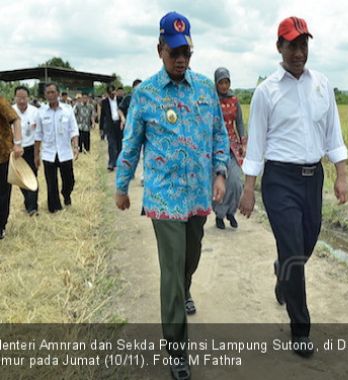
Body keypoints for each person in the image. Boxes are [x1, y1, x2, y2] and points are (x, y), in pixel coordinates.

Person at [114, 11, 228, 380]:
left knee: (188, 262)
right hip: (163, 198)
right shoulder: (145, 94)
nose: (181, 59)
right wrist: (122, 186)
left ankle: (185, 289)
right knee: (171, 272)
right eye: (174, 52)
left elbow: (218, 137)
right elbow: (130, 144)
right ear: (159, 49)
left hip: (197, 196)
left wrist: (221, 173)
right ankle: (177, 349)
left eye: (187, 53)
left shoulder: (205, 89)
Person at [239, 16, 348, 358]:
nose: (298, 52)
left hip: (312, 177)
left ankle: (283, 272)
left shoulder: (322, 85)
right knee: (293, 250)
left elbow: (333, 133)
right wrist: (248, 188)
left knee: (304, 243)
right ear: (279, 48)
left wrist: (341, 175)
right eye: (292, 45)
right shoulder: (266, 91)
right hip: (279, 181)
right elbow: (256, 144)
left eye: (303, 45)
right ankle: (300, 329)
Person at [34, 83, 80, 213]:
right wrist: (36, 155)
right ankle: (55, 208)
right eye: (48, 93)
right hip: (48, 153)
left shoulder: (67, 110)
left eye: (53, 92)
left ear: (58, 93)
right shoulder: (41, 112)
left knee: (69, 180)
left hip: (65, 152)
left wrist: (75, 147)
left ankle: (66, 194)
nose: (50, 95)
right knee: (51, 183)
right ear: (45, 95)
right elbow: (38, 135)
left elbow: (73, 130)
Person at [212, 67, 246, 230]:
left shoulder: (234, 100)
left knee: (236, 182)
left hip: (232, 146)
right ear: (216, 83)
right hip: (216, 146)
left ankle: (231, 212)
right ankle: (219, 215)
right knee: (219, 181)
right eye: (221, 83)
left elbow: (239, 122)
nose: (224, 86)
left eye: (226, 82)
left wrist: (243, 143)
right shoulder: (212, 100)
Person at [13, 86, 40, 215]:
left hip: (30, 149)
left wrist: (38, 152)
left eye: (24, 98)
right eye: (19, 98)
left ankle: (33, 207)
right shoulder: (10, 111)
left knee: (33, 176)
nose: (22, 101)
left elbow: (39, 132)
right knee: (21, 178)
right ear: (15, 98)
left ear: (28, 98)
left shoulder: (35, 112)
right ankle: (28, 202)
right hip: (15, 151)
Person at [0, 96, 23, 239]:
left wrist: (18, 143)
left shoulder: (1, 101)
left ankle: (1, 225)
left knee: (2, 192)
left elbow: (16, 119)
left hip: (2, 155)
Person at [99, 84, 123, 171]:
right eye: (110, 94)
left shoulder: (120, 100)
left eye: (113, 93)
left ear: (115, 92)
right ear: (107, 93)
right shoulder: (104, 102)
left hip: (119, 125)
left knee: (119, 144)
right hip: (110, 126)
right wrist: (101, 128)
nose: (112, 95)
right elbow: (102, 115)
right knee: (111, 145)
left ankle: (119, 163)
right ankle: (111, 163)